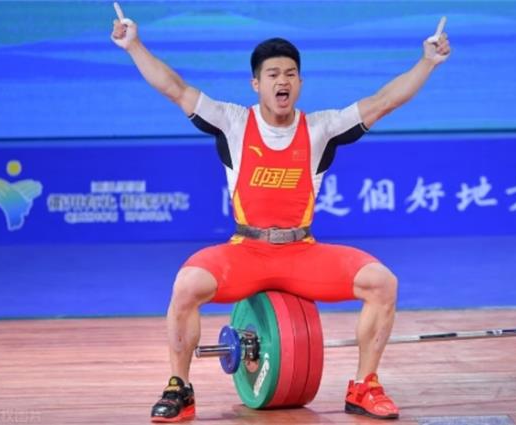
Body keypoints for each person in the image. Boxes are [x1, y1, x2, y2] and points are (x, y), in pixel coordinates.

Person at [111, 3, 450, 422]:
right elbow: (175, 88)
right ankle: (180, 388)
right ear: (256, 83)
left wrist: (427, 62)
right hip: (246, 252)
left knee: (382, 283)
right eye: (272, 74)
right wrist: (134, 45)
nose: (282, 81)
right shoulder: (233, 122)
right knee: (186, 286)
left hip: (301, 253)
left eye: (290, 74)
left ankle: (364, 386)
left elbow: (383, 102)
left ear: (300, 82)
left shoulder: (321, 128)